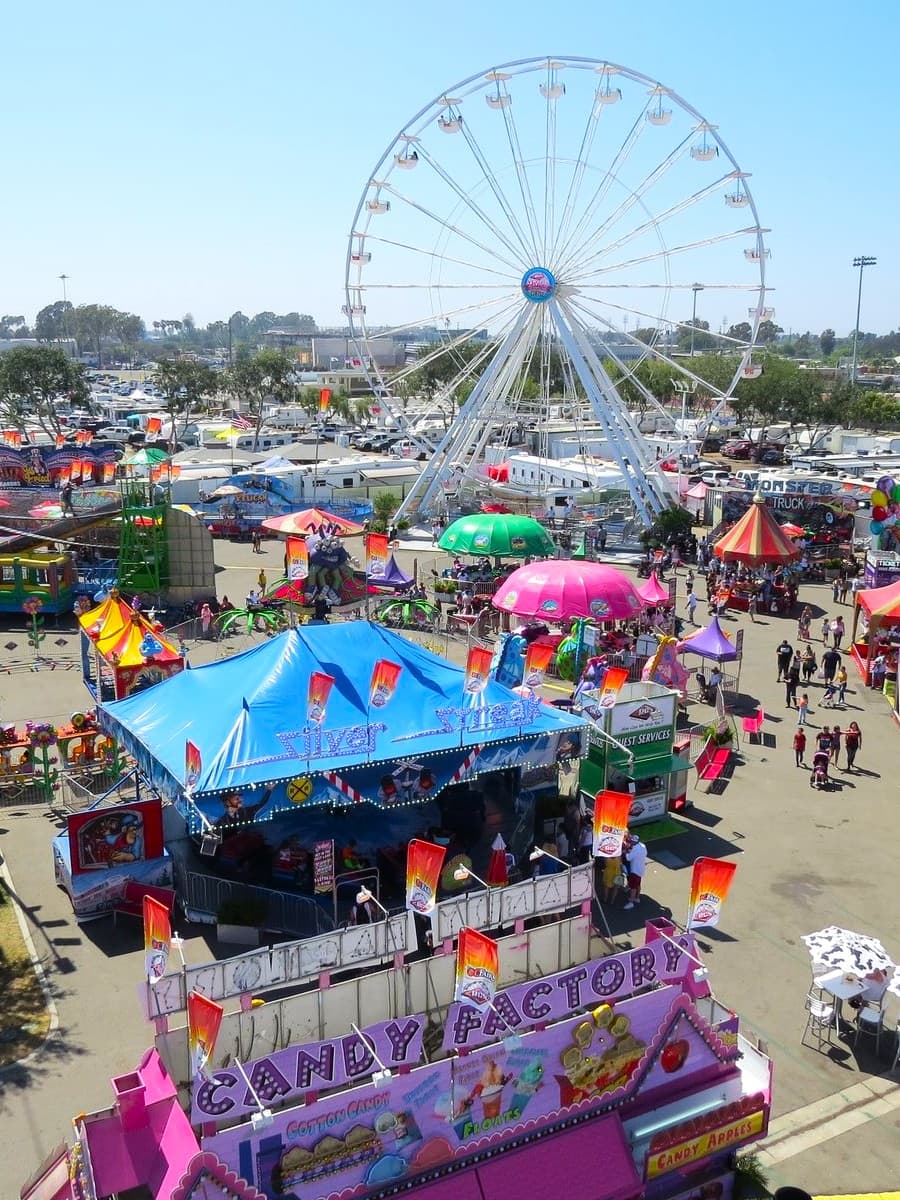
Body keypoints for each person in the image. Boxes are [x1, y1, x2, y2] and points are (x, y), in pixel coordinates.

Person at [622, 833, 647, 911]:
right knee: (638, 884)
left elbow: (628, 858)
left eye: (632, 841)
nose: (631, 842)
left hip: (634, 870)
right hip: (641, 869)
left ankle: (631, 902)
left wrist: (625, 852)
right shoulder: (643, 846)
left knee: (633, 887)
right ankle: (637, 898)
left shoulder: (635, 849)